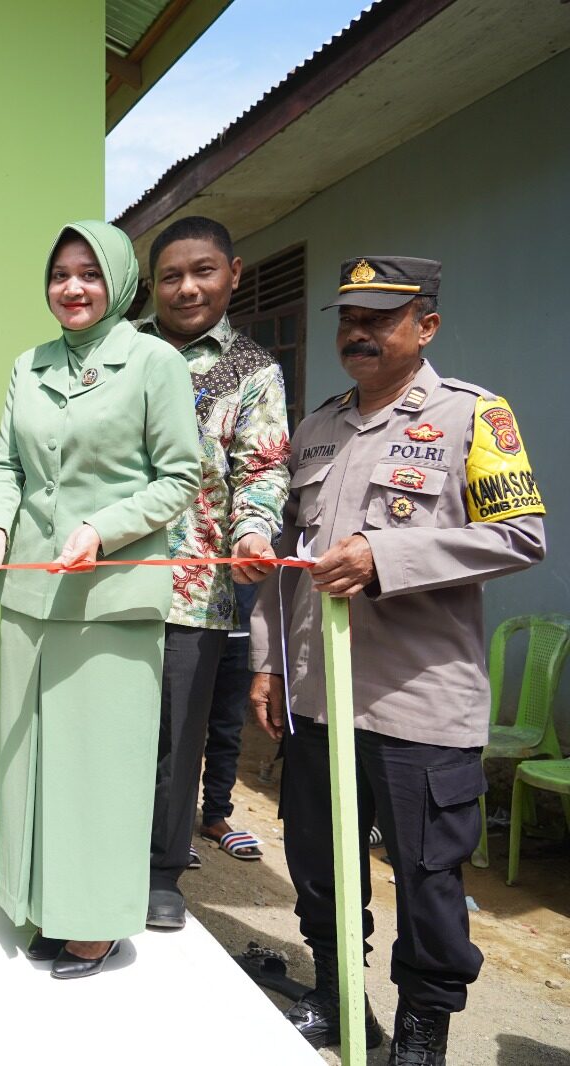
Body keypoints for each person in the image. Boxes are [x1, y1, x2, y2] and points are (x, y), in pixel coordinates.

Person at [249, 256, 546, 1064]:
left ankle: (421, 1033)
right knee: (320, 869)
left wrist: (387, 556)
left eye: (382, 317)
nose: (360, 332)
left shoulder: (471, 417)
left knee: (427, 884)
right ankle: (340, 999)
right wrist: (269, 663)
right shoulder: (317, 429)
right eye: (350, 317)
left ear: (428, 327)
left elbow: (521, 536)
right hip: (320, 701)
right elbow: (287, 557)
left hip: (418, 704)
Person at [0, 219, 200, 979]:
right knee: (32, 760)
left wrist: (104, 527)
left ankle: (95, 921)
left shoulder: (153, 362)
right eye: (61, 273)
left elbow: (179, 478)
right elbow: (6, 464)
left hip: (112, 596)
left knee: (101, 765)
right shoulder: (29, 364)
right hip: (31, 593)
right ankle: (46, 903)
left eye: (90, 275)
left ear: (120, 283)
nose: (72, 288)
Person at [135, 216, 289, 930]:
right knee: (102, 727)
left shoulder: (253, 370)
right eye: (171, 275)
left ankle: (161, 872)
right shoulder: (118, 349)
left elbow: (261, 470)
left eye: (203, 271)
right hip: (102, 577)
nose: (187, 287)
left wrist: (254, 530)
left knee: (175, 740)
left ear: (234, 272)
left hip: (193, 590)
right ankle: (88, 855)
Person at [197, 581, 263, 863]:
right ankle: (168, 827)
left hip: (243, 630)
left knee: (228, 729)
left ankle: (215, 815)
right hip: (193, 624)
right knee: (182, 726)